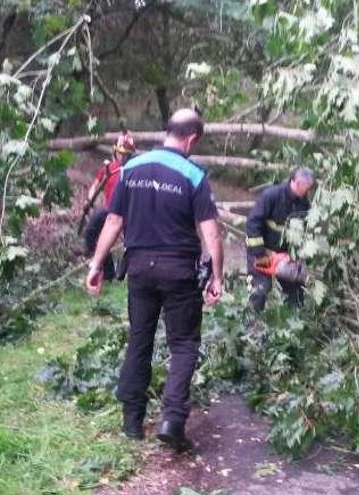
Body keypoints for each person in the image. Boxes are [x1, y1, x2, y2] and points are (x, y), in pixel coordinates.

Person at [85, 108, 224, 452]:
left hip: (140, 270)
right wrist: (217, 276)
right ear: (192, 138)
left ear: (168, 131)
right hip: (179, 272)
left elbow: (113, 223)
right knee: (184, 344)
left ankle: (132, 423)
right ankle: (172, 421)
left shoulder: (130, 168)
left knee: (139, 340)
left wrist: (96, 264)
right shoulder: (193, 174)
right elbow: (212, 233)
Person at [245, 168, 315, 312]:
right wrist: (259, 253)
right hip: (262, 251)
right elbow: (253, 223)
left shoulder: (303, 204)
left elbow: (303, 231)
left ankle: (293, 324)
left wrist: (297, 256)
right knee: (260, 290)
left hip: (284, 256)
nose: (307, 191)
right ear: (295, 182)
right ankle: (250, 324)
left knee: (295, 293)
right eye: (305, 187)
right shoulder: (271, 195)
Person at [83, 132, 136, 280]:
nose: (123, 157)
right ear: (115, 152)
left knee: (131, 242)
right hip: (110, 210)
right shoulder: (109, 169)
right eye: (121, 153)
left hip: (129, 211)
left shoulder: (134, 170)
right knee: (94, 231)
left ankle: (125, 271)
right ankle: (107, 271)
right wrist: (90, 200)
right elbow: (95, 186)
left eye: (127, 154)